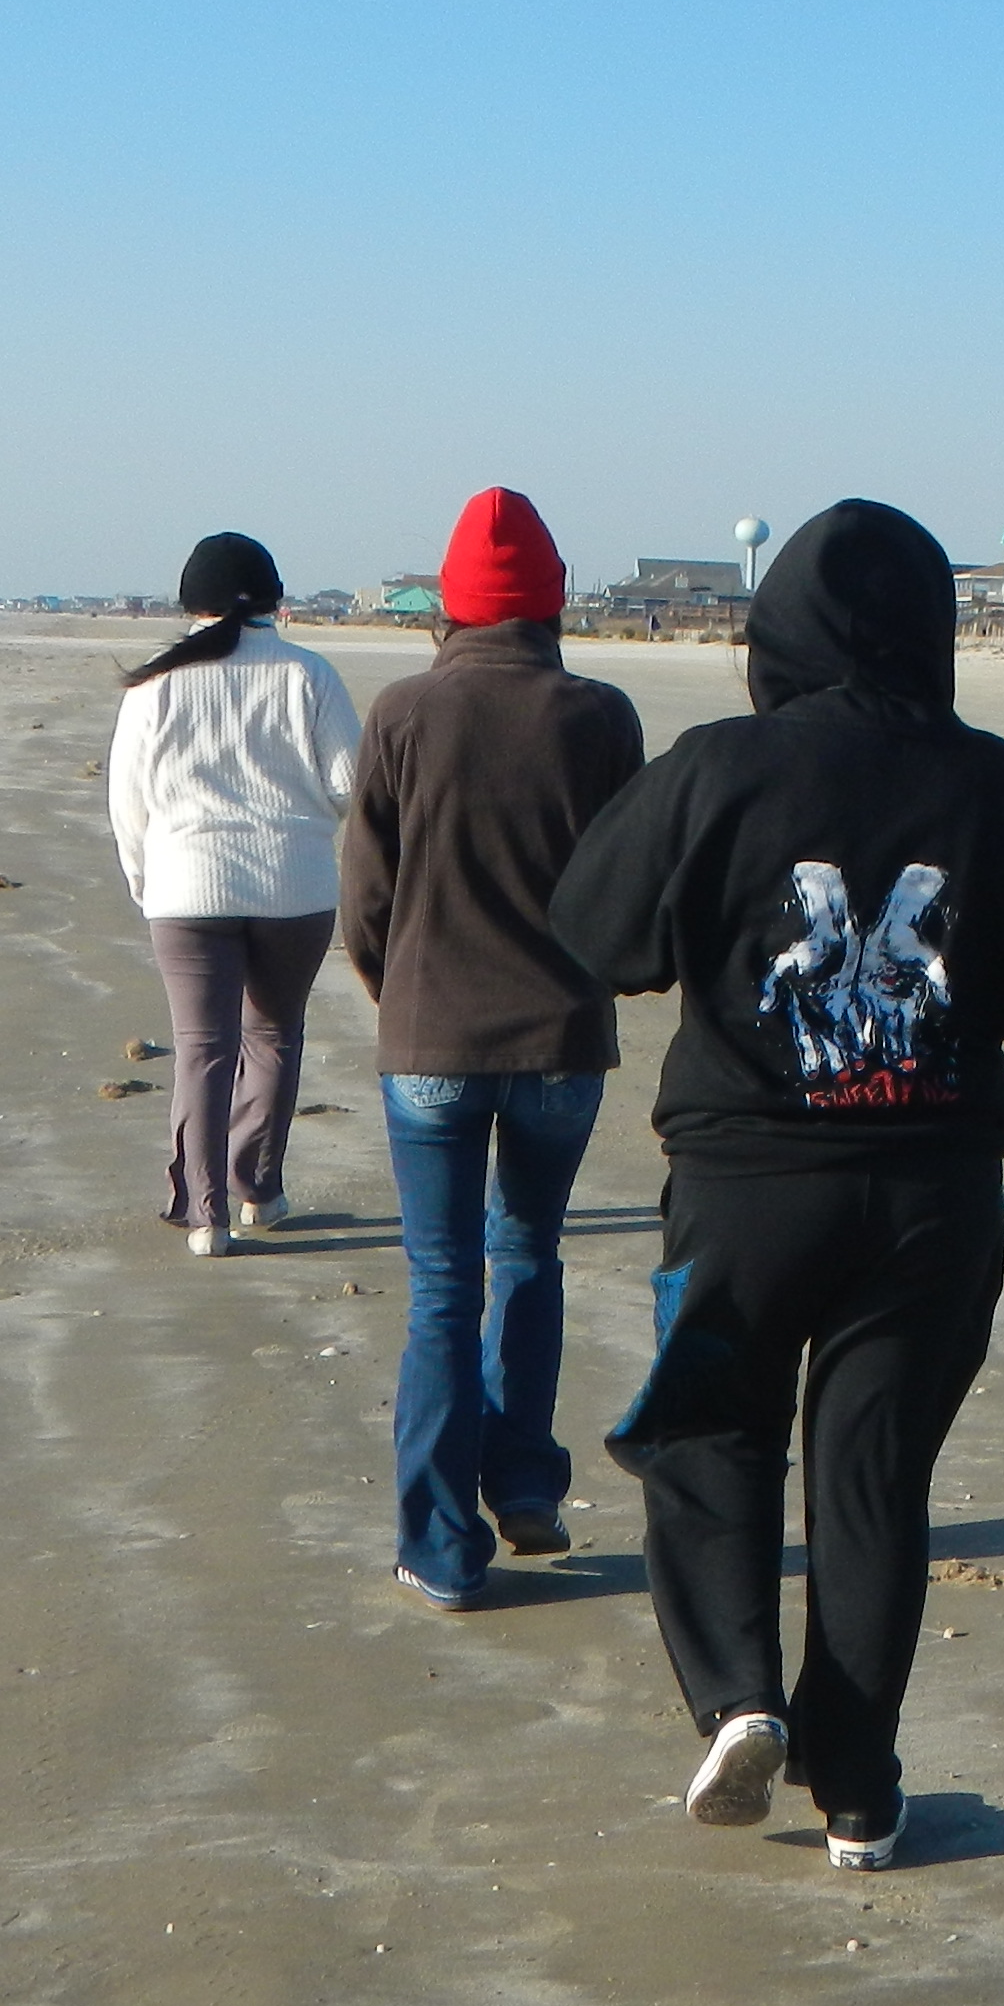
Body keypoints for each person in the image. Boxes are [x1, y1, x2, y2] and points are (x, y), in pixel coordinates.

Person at [551, 498, 1004, 1867]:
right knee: (871, 1479)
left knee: (705, 1432)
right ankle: (858, 1784)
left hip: (749, 1184)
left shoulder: (714, 770)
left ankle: (741, 1697)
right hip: (931, 1194)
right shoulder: (992, 779)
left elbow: (596, 931)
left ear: (775, 632)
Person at [339, 487, 643, 1610]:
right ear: (550, 601)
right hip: (562, 1037)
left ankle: (440, 1546)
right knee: (529, 1259)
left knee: (441, 1288)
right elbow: (627, 883)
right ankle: (524, 1487)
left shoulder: (405, 712)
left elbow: (365, 896)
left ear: (452, 604)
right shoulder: (599, 716)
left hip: (431, 1038)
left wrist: (396, 988)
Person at [106, 533, 360, 1258]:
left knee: (201, 1049)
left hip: (186, 886)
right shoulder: (308, 673)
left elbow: (129, 803)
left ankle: (204, 1213)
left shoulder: (154, 684)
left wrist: (145, 880)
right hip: (295, 884)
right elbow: (350, 782)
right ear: (274, 600)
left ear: (193, 602)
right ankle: (261, 1192)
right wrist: (302, 825)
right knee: (274, 1035)